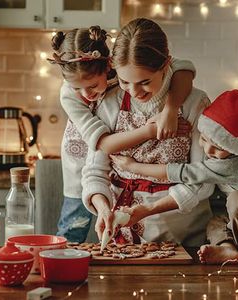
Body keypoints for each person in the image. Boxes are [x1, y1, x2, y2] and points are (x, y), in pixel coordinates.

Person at [112, 89, 238, 263]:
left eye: (219, 147)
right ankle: (229, 249)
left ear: (234, 147)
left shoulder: (233, 163)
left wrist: (134, 166)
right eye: (204, 139)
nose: (208, 149)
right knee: (215, 222)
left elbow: (182, 173)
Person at [48, 26, 196, 242]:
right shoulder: (69, 95)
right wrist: (151, 130)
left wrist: (171, 109)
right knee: (73, 226)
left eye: (91, 85)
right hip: (84, 158)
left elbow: (182, 68)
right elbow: (104, 144)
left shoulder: (124, 72)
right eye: (76, 88)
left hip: (116, 163)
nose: (85, 94)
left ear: (109, 65)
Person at [81, 18, 214, 247]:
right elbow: (95, 171)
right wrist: (103, 208)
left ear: (166, 65)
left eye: (144, 82)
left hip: (182, 236)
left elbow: (202, 179)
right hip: (121, 238)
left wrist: (149, 209)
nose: (134, 92)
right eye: (124, 81)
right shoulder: (110, 101)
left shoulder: (194, 103)